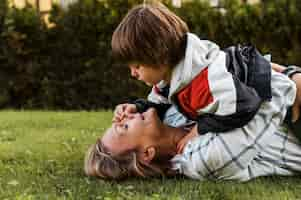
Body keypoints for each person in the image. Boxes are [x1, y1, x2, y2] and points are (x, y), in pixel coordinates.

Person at [111, 3, 301, 150]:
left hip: (275, 89)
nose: (133, 74)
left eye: (137, 66)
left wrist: (199, 129)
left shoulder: (204, 81)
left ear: (159, 56)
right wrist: (136, 107)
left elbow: (244, 105)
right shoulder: (171, 77)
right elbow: (159, 103)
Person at [84, 71, 301, 181]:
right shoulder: (203, 158)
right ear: (147, 153)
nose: (124, 119)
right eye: (123, 128)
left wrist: (136, 105)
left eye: (119, 121)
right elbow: (277, 93)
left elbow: (167, 85)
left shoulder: (174, 119)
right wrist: (291, 73)